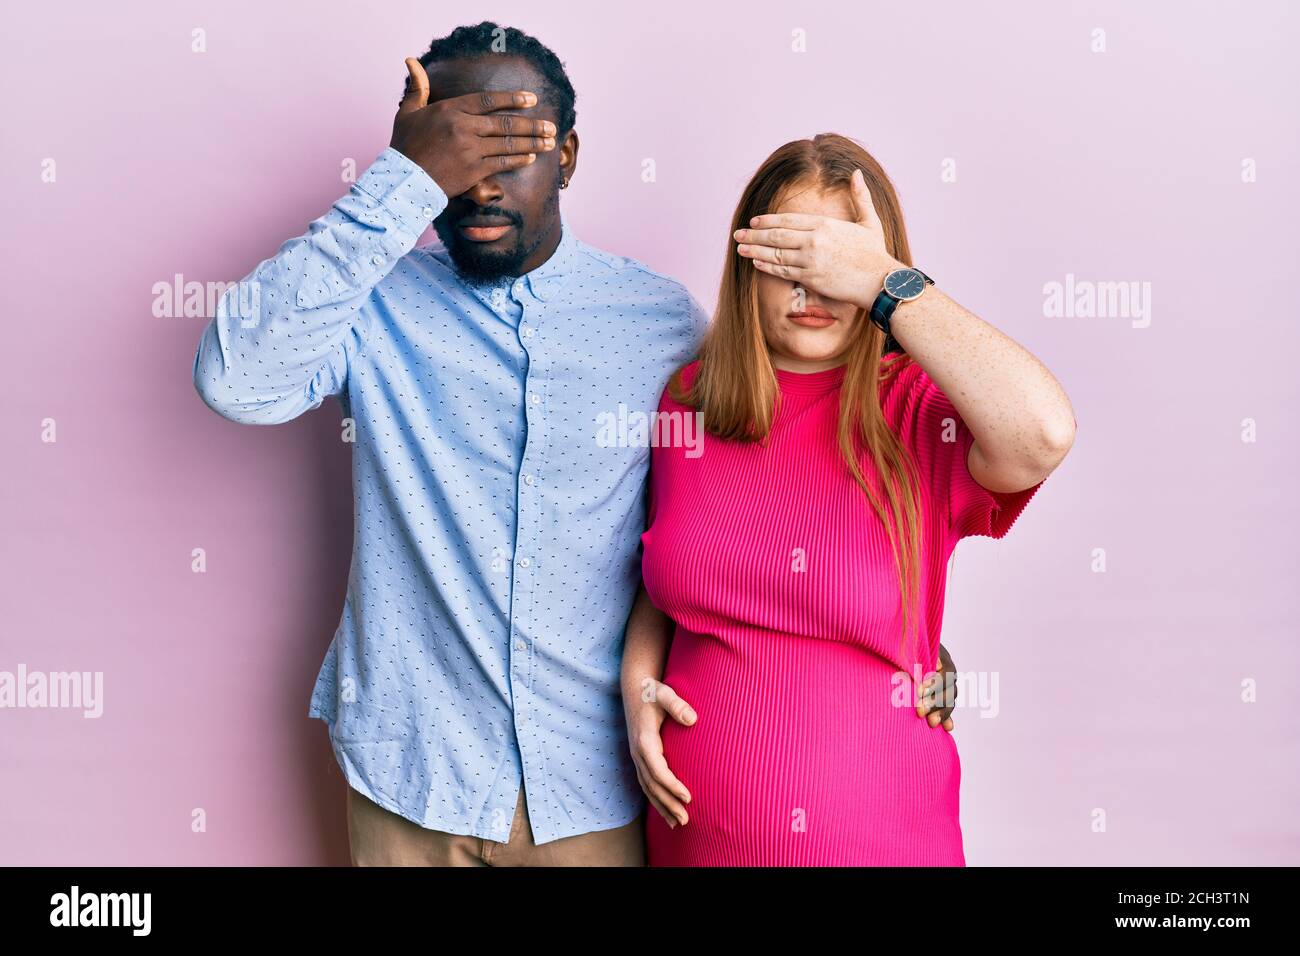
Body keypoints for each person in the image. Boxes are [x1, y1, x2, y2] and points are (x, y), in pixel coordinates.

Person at [193, 21, 960, 866]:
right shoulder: (368, 303)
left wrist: (906, 640)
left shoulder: (664, 326)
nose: (478, 187)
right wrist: (399, 185)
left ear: (567, 157)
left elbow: (746, 508)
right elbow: (237, 381)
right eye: (453, 155)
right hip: (408, 777)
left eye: (509, 150)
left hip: (590, 788)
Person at [623, 134, 1076, 866]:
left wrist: (889, 284)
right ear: (746, 265)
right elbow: (663, 575)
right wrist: (637, 686)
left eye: (839, 264)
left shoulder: (922, 412)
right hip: (691, 847)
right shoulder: (689, 402)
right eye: (791, 257)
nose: (815, 288)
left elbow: (1044, 432)